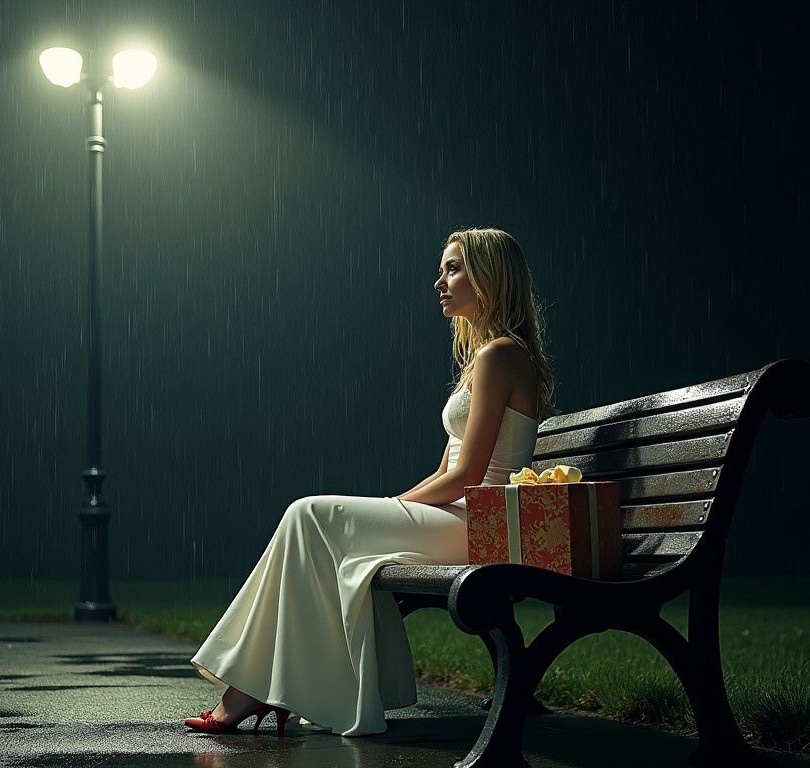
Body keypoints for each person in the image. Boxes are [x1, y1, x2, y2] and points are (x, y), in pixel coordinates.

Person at [185, 227, 554, 738]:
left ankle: (255, 690)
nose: (438, 281)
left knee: (309, 514)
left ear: (490, 277)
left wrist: (394, 505)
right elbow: (448, 471)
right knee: (310, 525)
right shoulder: (486, 359)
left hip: (477, 525)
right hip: (459, 517)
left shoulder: (500, 356)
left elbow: (468, 477)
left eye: (453, 268)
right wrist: (398, 504)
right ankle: (264, 689)